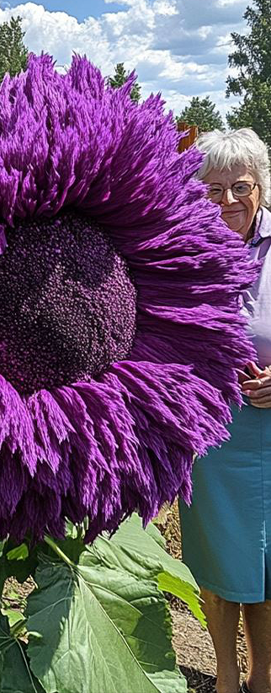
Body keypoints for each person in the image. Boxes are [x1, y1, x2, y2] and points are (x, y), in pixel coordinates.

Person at [180, 128, 271, 693]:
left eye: (240, 187)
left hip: (270, 437)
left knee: (265, 569)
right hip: (208, 433)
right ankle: (224, 672)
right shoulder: (181, 246)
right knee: (215, 567)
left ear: (260, 186)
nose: (228, 202)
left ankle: (264, 675)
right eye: (213, 190)